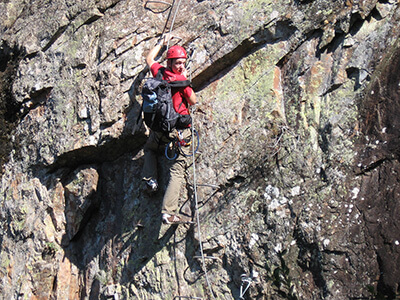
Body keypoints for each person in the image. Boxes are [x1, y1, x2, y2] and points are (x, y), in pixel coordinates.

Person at [142, 35, 197, 225]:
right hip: (179, 130)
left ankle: (150, 180)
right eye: (179, 63)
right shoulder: (182, 81)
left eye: (183, 63)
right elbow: (193, 101)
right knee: (178, 168)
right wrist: (185, 78)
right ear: (172, 62)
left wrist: (161, 43)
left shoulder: (160, 72)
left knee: (150, 149)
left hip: (160, 129)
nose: (181, 66)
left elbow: (150, 59)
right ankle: (168, 212)